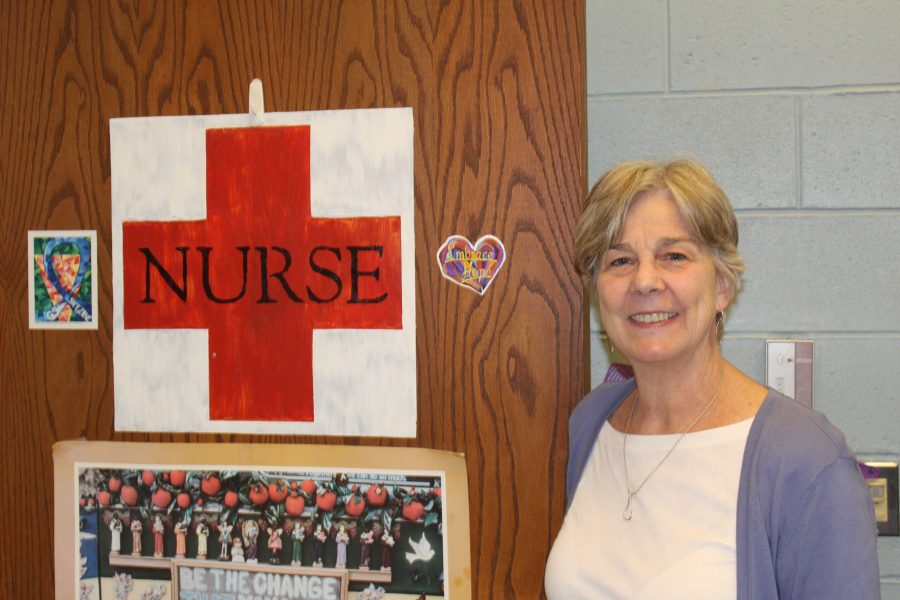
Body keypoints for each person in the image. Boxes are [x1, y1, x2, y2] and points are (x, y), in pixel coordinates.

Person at [545, 159, 879, 599]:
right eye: (620, 260)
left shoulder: (806, 459)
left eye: (674, 256)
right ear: (596, 290)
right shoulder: (592, 423)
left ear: (723, 285)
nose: (645, 280)